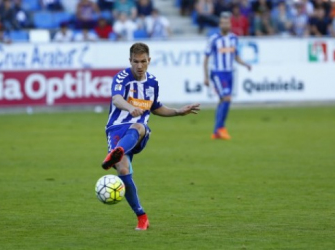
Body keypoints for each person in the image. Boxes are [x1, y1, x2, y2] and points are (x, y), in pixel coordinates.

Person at [101, 42, 200, 230]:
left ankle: (117, 151)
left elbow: (156, 108)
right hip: (116, 129)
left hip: (137, 132)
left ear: (149, 60)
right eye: (136, 61)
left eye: (143, 61)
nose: (139, 66)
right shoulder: (122, 77)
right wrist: (130, 107)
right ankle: (142, 216)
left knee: (139, 126)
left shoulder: (152, 82)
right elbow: (116, 98)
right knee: (123, 172)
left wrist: (178, 111)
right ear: (130, 60)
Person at [203, 12, 251, 140]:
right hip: (218, 73)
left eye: (228, 23)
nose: (226, 25)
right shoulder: (214, 39)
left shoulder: (234, 38)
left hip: (230, 73)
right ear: (220, 25)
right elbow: (206, 59)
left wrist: (245, 64)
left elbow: (236, 56)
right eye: (223, 23)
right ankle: (220, 128)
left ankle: (216, 131)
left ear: (230, 24)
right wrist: (206, 77)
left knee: (222, 100)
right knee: (227, 98)